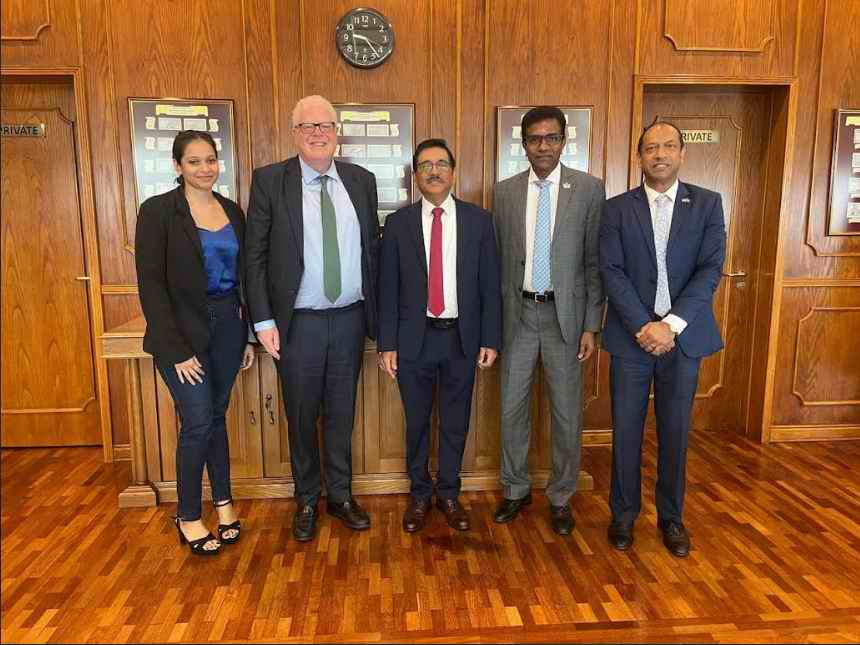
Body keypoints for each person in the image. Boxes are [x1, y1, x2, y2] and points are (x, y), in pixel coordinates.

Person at [244, 95, 380, 543]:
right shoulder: (270, 181)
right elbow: (254, 257)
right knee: (302, 415)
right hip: (297, 324)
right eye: (308, 126)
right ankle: (306, 498)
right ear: (294, 133)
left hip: (350, 319)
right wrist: (263, 321)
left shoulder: (361, 181)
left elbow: (372, 252)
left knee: (342, 413)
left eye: (325, 125)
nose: (318, 133)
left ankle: (340, 495)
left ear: (337, 132)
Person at [599, 121, 726, 558]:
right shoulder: (616, 209)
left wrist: (670, 325)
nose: (660, 154)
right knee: (626, 431)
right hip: (631, 338)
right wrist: (644, 325)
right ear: (639, 156)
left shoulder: (707, 204)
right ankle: (623, 515)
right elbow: (611, 271)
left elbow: (710, 270)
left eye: (669, 146)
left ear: (682, 154)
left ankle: (671, 518)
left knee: (675, 432)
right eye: (651, 147)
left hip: (683, 340)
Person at [135, 130, 255, 556]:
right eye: (194, 161)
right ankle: (187, 515)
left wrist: (247, 336)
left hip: (229, 328)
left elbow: (244, 279)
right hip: (181, 334)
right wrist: (176, 350)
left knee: (217, 417)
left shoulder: (232, 210)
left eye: (211, 160)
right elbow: (151, 286)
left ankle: (223, 504)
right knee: (199, 420)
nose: (205, 168)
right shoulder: (158, 211)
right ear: (177, 166)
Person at [378, 139, 501, 533]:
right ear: (415, 175)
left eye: (441, 164)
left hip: (461, 339)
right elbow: (387, 287)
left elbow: (490, 285)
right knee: (416, 422)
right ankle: (419, 495)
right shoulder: (398, 224)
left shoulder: (479, 221)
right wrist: (387, 344)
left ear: (453, 171)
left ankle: (448, 493)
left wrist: (490, 338)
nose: (434, 171)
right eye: (426, 165)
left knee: (454, 421)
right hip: (413, 340)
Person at [492, 106, 605, 535]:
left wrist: (591, 325)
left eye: (552, 138)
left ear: (563, 142)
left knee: (566, 413)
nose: (543, 146)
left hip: (566, 319)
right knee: (512, 408)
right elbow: (497, 260)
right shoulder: (504, 192)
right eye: (535, 139)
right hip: (517, 315)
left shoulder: (588, 190)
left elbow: (593, 263)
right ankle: (515, 489)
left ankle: (561, 496)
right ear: (523, 144)